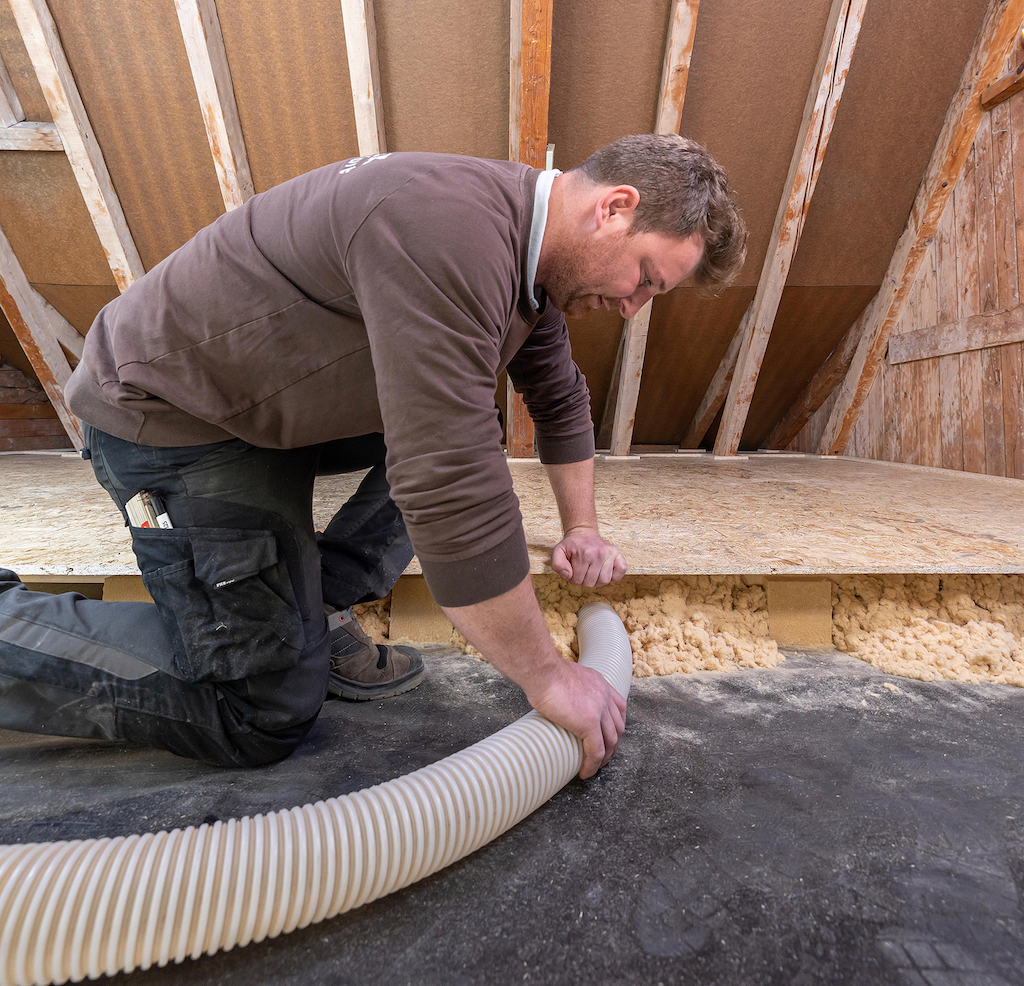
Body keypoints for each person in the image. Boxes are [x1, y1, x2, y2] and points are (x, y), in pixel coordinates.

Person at [0, 135, 745, 777]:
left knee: (464, 425)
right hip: (167, 418)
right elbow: (446, 483)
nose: (631, 304)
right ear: (614, 208)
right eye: (645, 277)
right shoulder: (447, 229)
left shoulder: (527, 264)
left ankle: (310, 606)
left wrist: (582, 527)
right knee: (260, 709)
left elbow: (557, 397)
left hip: (256, 407)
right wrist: (548, 679)